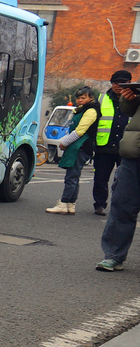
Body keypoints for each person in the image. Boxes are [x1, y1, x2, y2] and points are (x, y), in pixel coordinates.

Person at [96, 82, 140, 271]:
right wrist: (128, 99)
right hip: (133, 155)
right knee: (122, 204)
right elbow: (130, 112)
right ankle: (114, 255)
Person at [45, 86, 100, 215]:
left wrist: (64, 142)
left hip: (80, 146)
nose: (80, 100)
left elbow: (80, 131)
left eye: (83, 98)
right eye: (78, 98)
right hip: (79, 146)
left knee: (71, 177)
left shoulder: (91, 110)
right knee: (74, 177)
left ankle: (63, 204)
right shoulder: (83, 109)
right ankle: (70, 205)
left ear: (91, 98)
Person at [91, 70, 135, 215]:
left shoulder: (135, 99)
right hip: (104, 146)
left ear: (130, 84)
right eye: (116, 82)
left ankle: (120, 206)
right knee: (100, 179)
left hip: (125, 147)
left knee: (124, 181)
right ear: (111, 83)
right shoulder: (101, 98)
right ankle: (100, 204)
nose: (119, 86)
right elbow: (94, 121)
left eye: (123, 83)